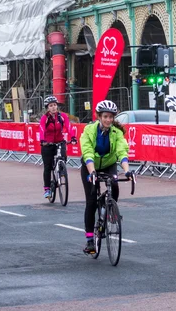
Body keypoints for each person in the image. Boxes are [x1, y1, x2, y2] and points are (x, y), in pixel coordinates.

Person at [79, 100, 133, 254]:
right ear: (99, 117)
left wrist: (127, 170)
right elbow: (87, 152)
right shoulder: (89, 130)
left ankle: (110, 209)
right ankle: (90, 240)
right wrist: (92, 172)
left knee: (114, 184)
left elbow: (122, 152)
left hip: (109, 164)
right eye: (105, 117)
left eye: (111, 117)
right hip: (90, 165)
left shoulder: (117, 133)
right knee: (91, 201)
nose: (108, 120)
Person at [39, 95, 76, 199]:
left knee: (63, 157)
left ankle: (61, 171)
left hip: (59, 141)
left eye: (55, 105)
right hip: (47, 144)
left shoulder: (62, 116)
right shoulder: (44, 118)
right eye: (51, 106)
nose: (53, 107)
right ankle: (47, 189)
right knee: (48, 167)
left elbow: (69, 127)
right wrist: (42, 141)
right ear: (47, 108)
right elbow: (41, 129)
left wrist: (73, 137)